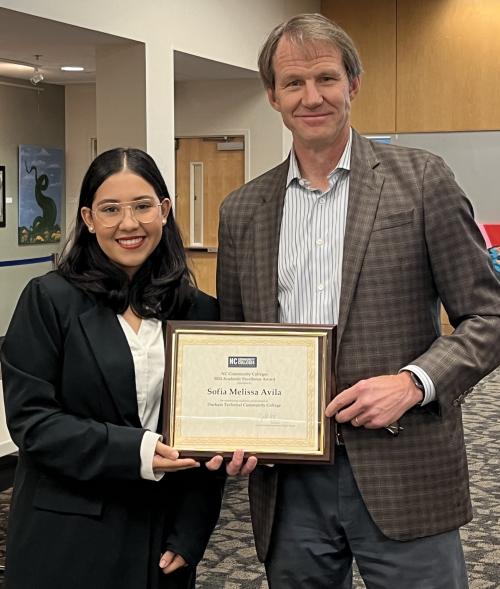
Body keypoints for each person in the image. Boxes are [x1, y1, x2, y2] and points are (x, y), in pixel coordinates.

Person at [217, 13, 500, 589]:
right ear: (272, 95)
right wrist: (233, 425)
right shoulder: (242, 210)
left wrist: (414, 382)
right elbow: (233, 342)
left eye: (326, 77)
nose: (311, 96)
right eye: (293, 83)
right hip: (289, 480)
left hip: (406, 467)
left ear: (354, 83)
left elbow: (489, 315)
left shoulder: (422, 181)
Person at [1, 147, 226, 589]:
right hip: (66, 535)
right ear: (88, 218)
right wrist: (136, 450)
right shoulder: (49, 300)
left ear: (164, 211)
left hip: (161, 538)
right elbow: (33, 423)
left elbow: (208, 431)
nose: (129, 223)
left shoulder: (199, 311)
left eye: (142, 206)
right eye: (110, 209)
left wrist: (191, 534)